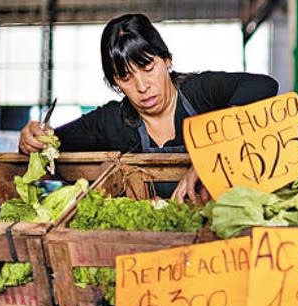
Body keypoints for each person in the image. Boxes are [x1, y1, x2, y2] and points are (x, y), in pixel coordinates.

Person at [18, 13, 279, 204]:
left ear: (166, 60)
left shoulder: (200, 93)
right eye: (125, 77)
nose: (142, 86)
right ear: (115, 84)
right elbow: (54, 141)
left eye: (147, 67)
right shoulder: (113, 121)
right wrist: (32, 137)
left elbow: (264, 85)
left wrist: (209, 155)